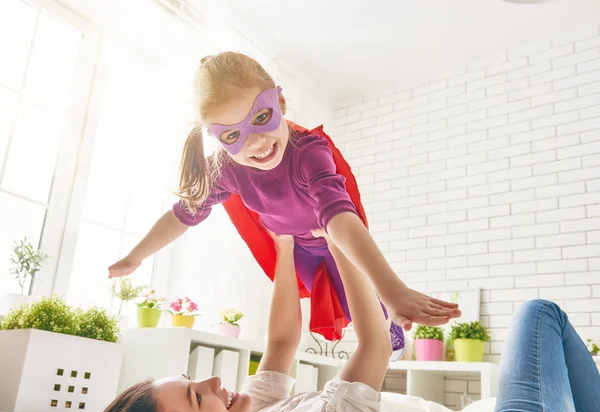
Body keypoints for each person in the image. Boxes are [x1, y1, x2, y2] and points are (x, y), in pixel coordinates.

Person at [96, 229, 599, 412]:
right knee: (539, 314)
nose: (209, 382)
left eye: (193, 380)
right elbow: (374, 344)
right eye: (196, 397)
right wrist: (338, 236)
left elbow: (280, 341)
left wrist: (286, 245)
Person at [107, 51, 460, 351]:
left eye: (261, 118)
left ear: (280, 102)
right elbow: (182, 215)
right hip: (295, 247)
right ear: (216, 138)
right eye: (233, 134)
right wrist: (135, 256)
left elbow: (338, 215)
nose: (257, 142)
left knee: (360, 298)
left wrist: (393, 288)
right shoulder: (225, 170)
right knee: (318, 303)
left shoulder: (308, 152)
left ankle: (388, 323)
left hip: (330, 235)